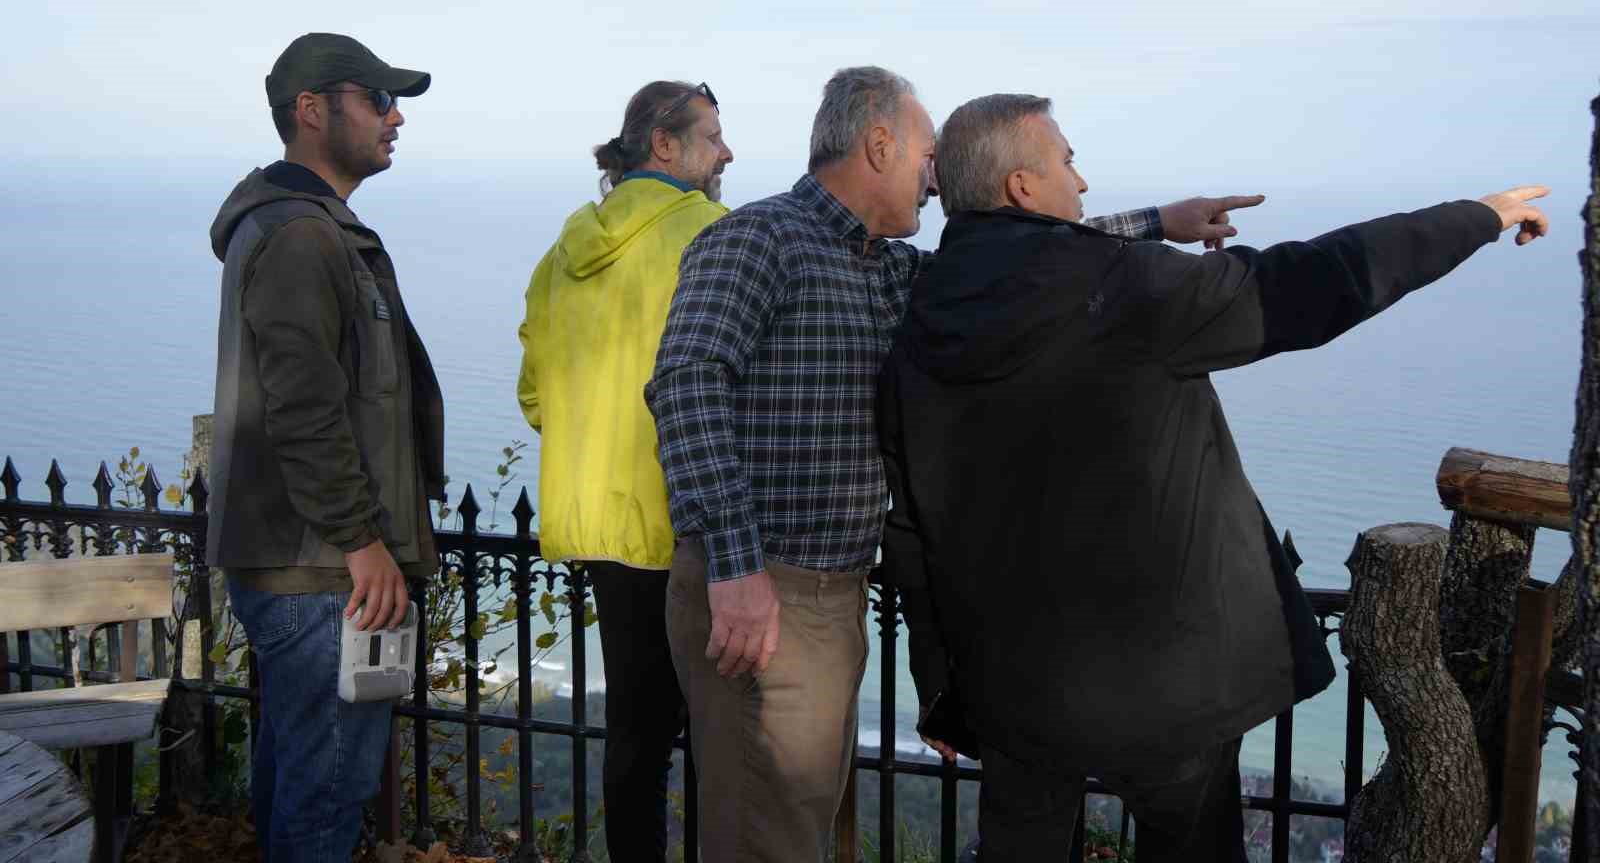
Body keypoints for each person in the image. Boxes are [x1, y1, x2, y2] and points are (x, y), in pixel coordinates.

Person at [876, 93, 1550, 862]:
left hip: (1012, 691)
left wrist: (939, 687)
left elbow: (912, 531)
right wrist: (1478, 216)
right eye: (1067, 160)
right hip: (1163, 687)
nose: (1084, 181)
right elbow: (1312, 282)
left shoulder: (916, 322)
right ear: (1024, 187)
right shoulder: (1123, 287)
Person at [645, 67, 1264, 863]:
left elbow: (1020, 264)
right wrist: (734, 570)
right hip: (761, 593)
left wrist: (1157, 223)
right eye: (927, 155)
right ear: (878, 145)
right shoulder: (756, 240)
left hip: (830, 597)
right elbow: (687, 383)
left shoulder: (890, 270)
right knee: (763, 839)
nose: (936, 180)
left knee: (801, 828)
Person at [208, 32, 445, 863]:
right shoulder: (301, 238)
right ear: (313, 111)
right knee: (327, 793)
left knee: (301, 775)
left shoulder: (308, 229)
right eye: (378, 98)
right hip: (320, 569)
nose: (396, 117)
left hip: (312, 563)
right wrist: (362, 541)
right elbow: (301, 408)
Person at [516, 80, 733, 862]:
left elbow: (535, 393)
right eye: (713, 137)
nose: (727, 153)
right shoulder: (715, 236)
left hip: (596, 525)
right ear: (665, 147)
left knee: (634, 733)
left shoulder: (562, 253)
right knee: (719, 734)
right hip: (684, 521)